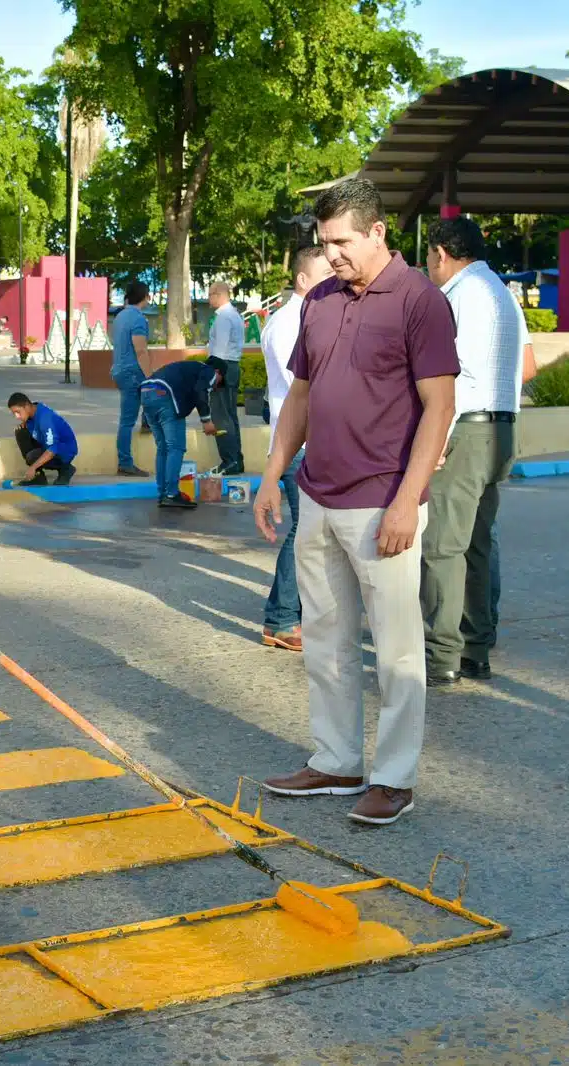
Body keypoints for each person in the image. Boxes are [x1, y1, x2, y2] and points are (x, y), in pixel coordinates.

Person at [253, 178, 458, 826]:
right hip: (317, 495)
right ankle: (337, 761)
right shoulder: (320, 303)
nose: (332, 254)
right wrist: (272, 474)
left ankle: (393, 780)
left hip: (381, 504)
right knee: (325, 639)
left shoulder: (419, 302)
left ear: (378, 233)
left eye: (342, 241)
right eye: (324, 243)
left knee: (396, 652)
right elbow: (301, 398)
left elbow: (440, 406)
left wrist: (407, 500)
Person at [419, 218, 524, 686]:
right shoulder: (502, 293)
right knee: (478, 546)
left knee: (442, 546)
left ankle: (441, 654)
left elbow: (452, 377)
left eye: (428, 257)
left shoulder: (457, 297)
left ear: (441, 252)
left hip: (465, 427)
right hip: (501, 427)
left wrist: (435, 444)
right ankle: (476, 648)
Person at [258, 245, 334, 653]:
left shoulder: (309, 317)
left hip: (309, 444)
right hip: (298, 447)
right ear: (303, 279)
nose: (334, 275)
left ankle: (289, 615)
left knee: (312, 534)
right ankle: (283, 618)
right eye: (324, 271)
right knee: (305, 535)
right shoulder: (292, 322)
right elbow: (300, 390)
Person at [490, 333, 537, 634]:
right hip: (498, 423)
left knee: (459, 538)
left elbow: (528, 367)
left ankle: (473, 626)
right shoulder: (504, 298)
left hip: (470, 422)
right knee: (482, 531)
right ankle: (481, 624)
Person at [140, 356, 221, 508]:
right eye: (219, 381)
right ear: (218, 372)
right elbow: (201, 391)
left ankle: (163, 493)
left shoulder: (188, 369)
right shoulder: (209, 371)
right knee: (175, 447)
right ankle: (171, 494)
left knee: (163, 448)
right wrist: (206, 420)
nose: (217, 385)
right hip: (164, 394)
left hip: (146, 390)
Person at [111, 282, 154, 477]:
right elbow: (140, 349)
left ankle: (148, 421)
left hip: (119, 369)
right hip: (132, 371)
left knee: (141, 405)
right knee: (127, 420)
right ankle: (125, 462)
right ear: (145, 296)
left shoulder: (120, 316)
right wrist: (150, 375)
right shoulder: (138, 318)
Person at [206, 280, 247, 474]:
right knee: (230, 416)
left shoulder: (223, 317)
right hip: (233, 366)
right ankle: (236, 460)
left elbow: (219, 350)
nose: (208, 299)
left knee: (221, 416)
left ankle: (229, 461)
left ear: (217, 294)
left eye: (210, 294)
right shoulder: (235, 315)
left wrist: (215, 373)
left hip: (222, 367)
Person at [8, 391, 78, 486]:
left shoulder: (45, 419)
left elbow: (52, 449)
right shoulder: (32, 412)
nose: (16, 416)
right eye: (14, 413)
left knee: (31, 457)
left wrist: (33, 467)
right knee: (21, 432)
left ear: (27, 406)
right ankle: (38, 477)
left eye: (18, 412)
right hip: (48, 444)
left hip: (64, 451)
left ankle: (65, 469)